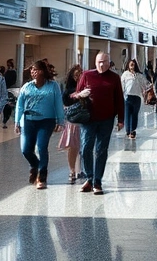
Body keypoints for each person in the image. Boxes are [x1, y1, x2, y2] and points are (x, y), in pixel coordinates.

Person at [73, 52, 124, 195]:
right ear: (95, 62)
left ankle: (97, 181)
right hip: (88, 119)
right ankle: (89, 178)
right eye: (99, 62)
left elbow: (119, 99)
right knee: (85, 148)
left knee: (101, 150)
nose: (102, 64)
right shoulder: (87, 75)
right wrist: (80, 95)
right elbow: (75, 94)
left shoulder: (114, 78)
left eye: (105, 61)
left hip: (106, 119)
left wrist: (121, 119)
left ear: (109, 62)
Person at [14, 60, 65, 190]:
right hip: (28, 121)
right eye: (31, 70)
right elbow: (20, 105)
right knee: (26, 150)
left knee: (42, 147)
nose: (32, 72)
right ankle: (35, 165)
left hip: (46, 121)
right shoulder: (27, 86)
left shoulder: (53, 86)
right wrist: (17, 121)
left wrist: (60, 121)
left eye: (35, 69)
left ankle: (42, 176)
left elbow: (58, 103)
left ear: (42, 71)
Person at [57, 65, 85, 183]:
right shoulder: (68, 91)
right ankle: (72, 170)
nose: (78, 77)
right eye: (76, 75)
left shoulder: (86, 87)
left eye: (80, 74)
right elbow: (65, 105)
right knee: (73, 147)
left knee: (83, 148)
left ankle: (81, 169)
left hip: (84, 122)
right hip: (73, 122)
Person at [121, 59, 149, 139]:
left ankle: (133, 130)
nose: (132, 65)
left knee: (134, 115)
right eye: (131, 64)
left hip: (137, 97)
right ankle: (128, 131)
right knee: (127, 115)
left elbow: (146, 85)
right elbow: (122, 86)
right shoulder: (125, 74)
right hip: (127, 97)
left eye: (133, 64)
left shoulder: (139, 75)